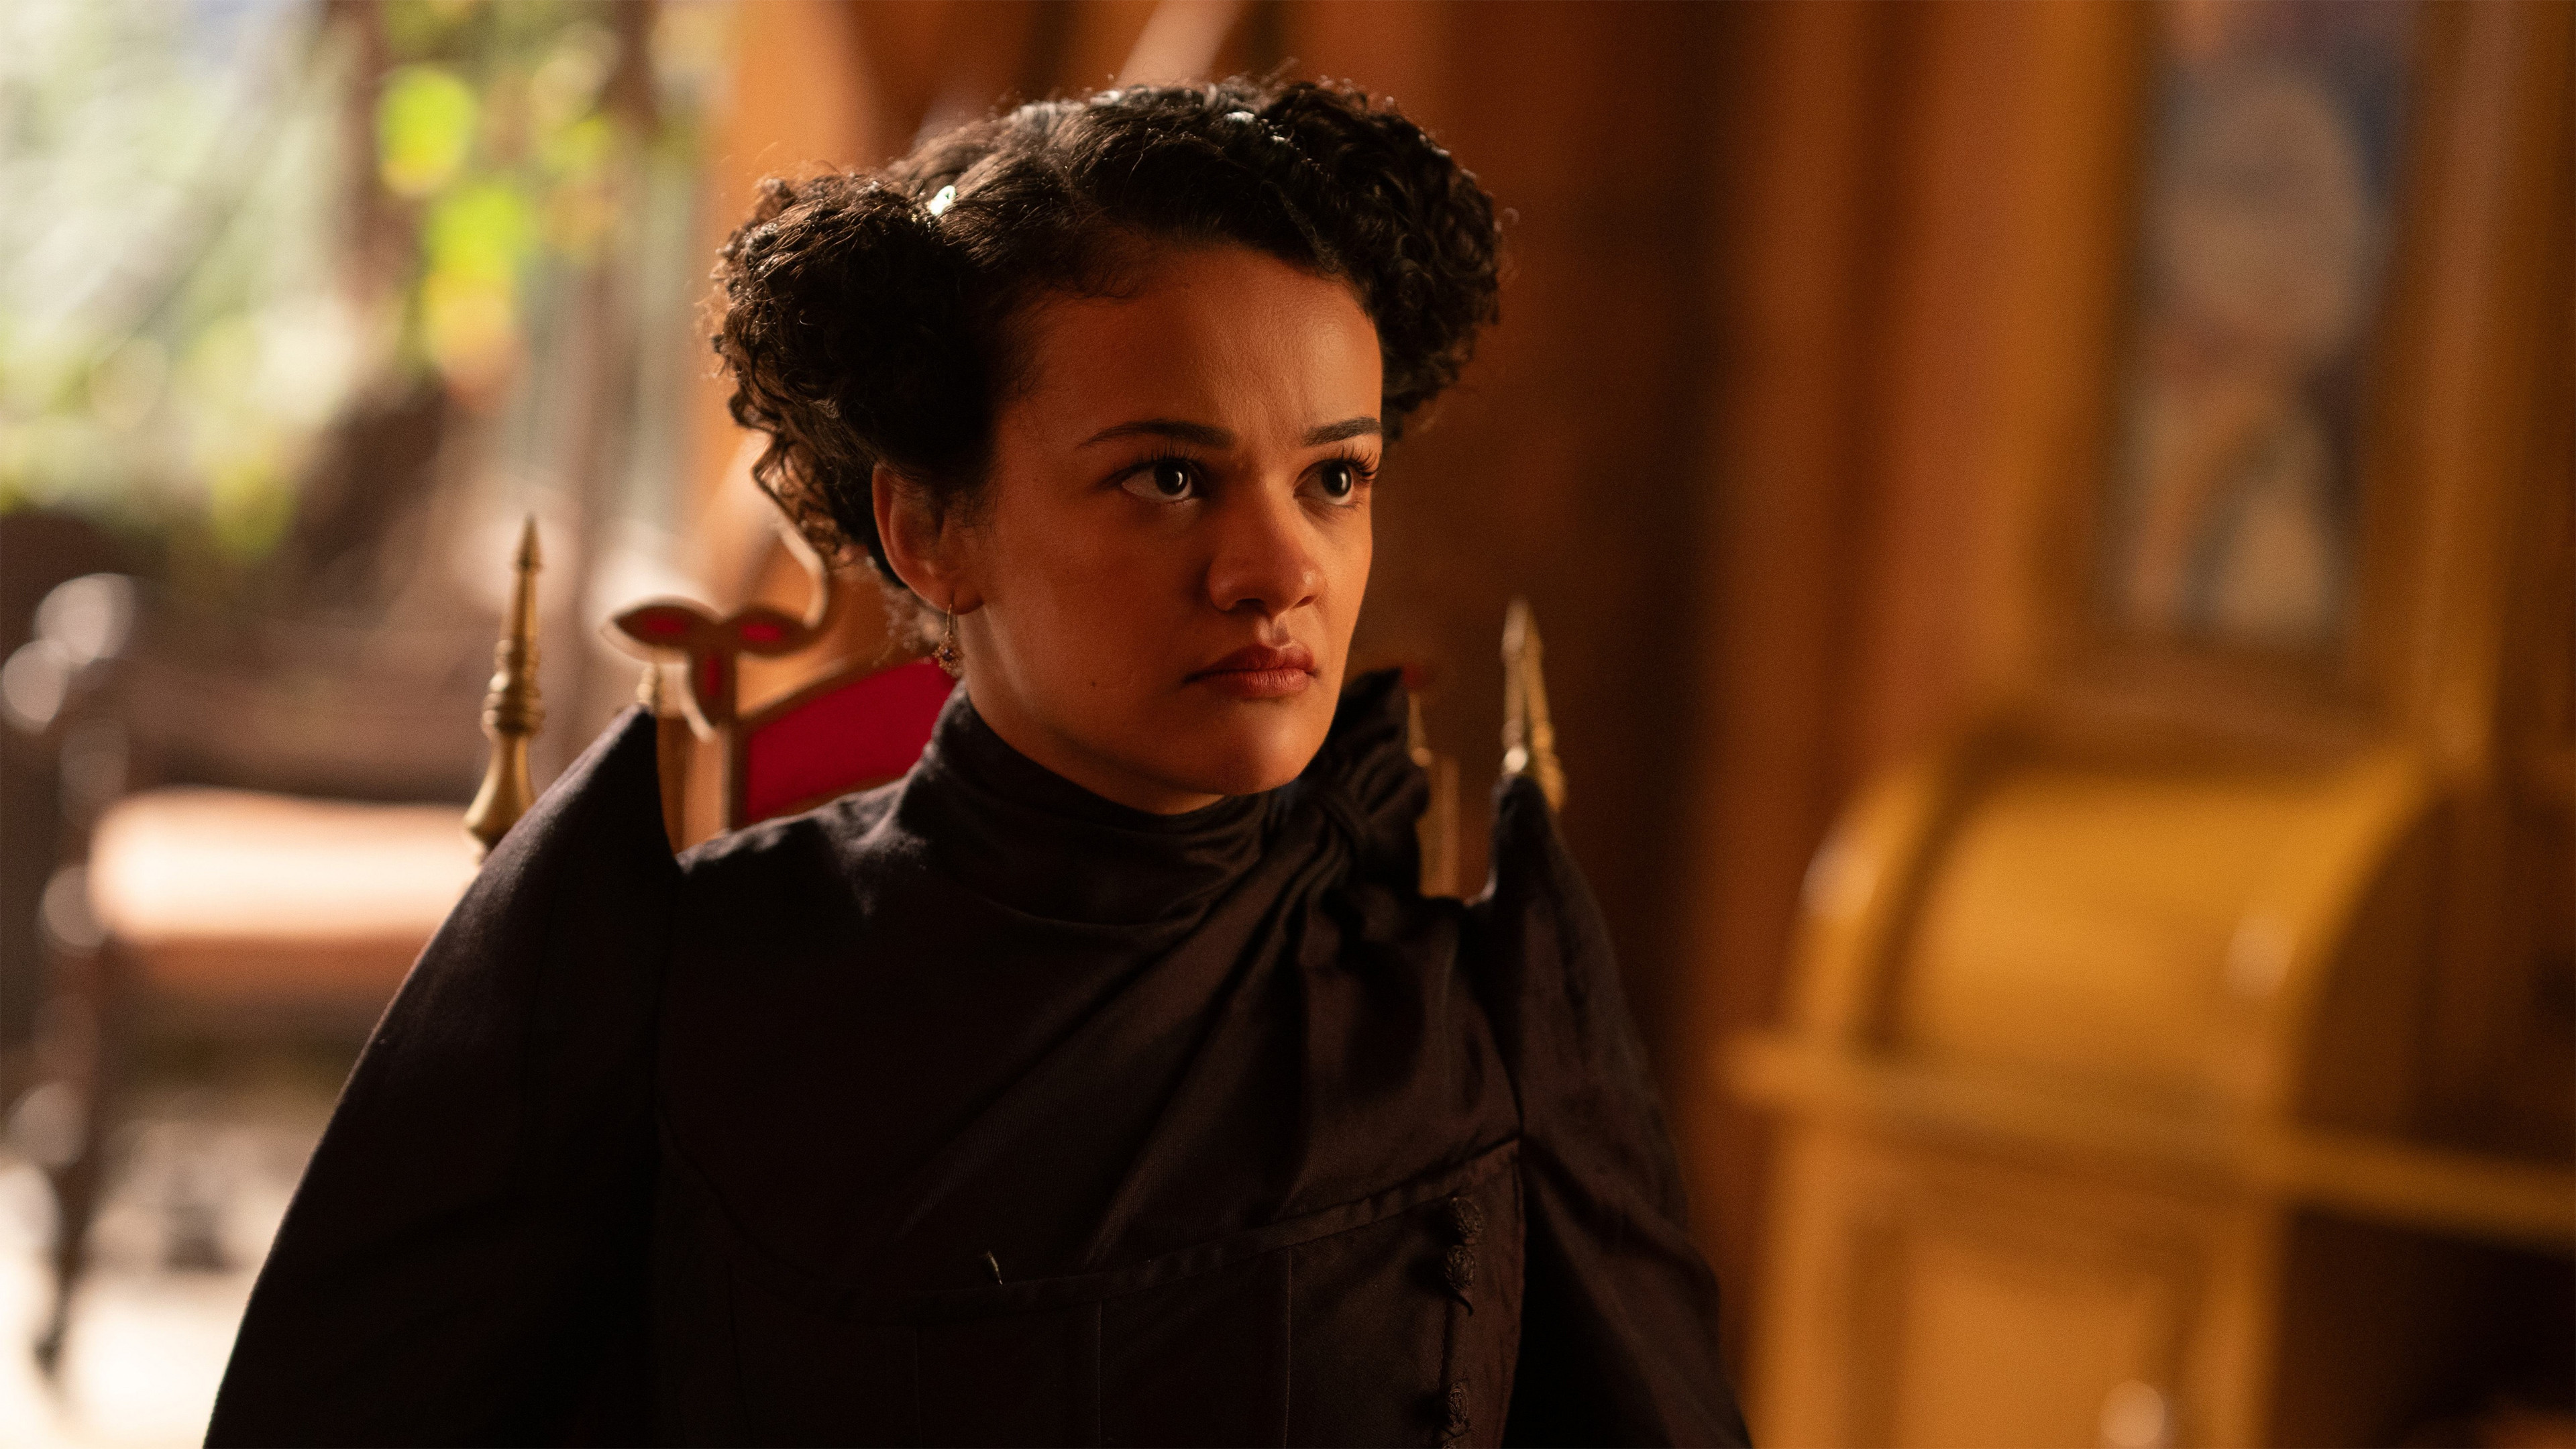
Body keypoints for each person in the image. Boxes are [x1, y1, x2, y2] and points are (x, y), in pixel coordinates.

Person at [208, 78, 1749, 1448]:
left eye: (1333, 477)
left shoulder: (1473, 965)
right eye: (1170, 476)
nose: (1281, 567)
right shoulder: (670, 968)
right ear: (930, 529)